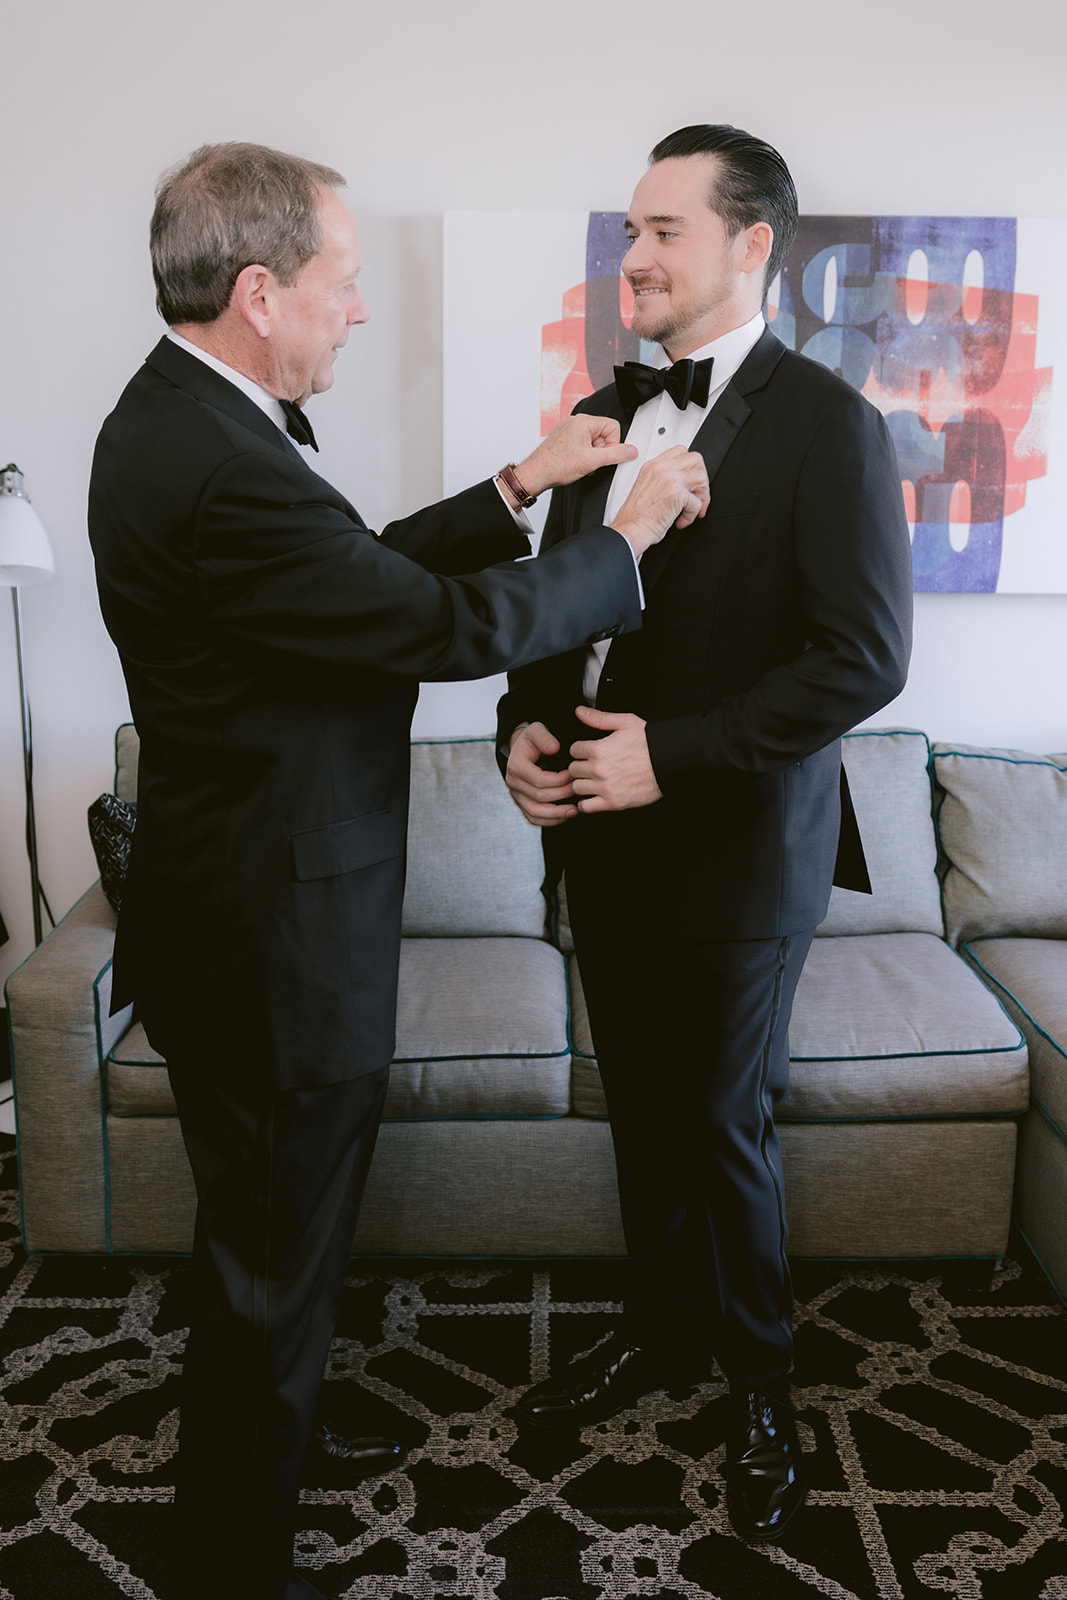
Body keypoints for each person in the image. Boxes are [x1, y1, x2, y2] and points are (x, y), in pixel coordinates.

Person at [88, 141, 710, 1600]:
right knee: (270, 1275)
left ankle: (260, 1447)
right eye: (343, 281)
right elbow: (419, 628)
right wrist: (617, 539)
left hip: (231, 918)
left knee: (257, 1251)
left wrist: (522, 479)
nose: (358, 310)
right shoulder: (216, 459)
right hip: (270, 940)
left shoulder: (184, 419)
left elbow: (349, 575)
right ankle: (234, 1557)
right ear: (260, 293)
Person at [497, 124, 913, 1544]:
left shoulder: (830, 424)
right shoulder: (599, 409)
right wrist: (524, 726)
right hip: (600, 841)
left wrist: (670, 759)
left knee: (724, 1124)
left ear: (754, 248)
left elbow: (861, 660)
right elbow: (560, 603)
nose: (637, 259)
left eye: (666, 230)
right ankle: (660, 1332)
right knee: (646, 1115)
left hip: (738, 843)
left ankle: (759, 1380)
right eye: (628, 232)